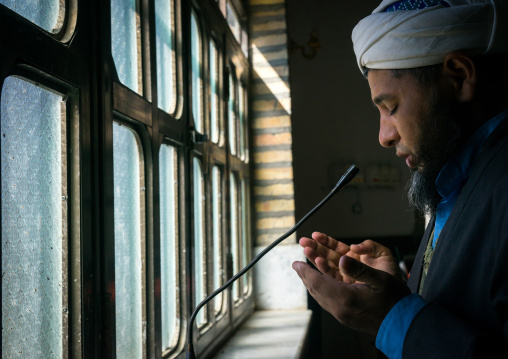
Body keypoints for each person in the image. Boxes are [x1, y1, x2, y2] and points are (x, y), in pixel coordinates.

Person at [292, 0, 508, 358]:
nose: (384, 136)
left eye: (390, 107)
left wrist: (390, 319)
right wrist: (397, 292)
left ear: (457, 76)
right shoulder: (460, 180)